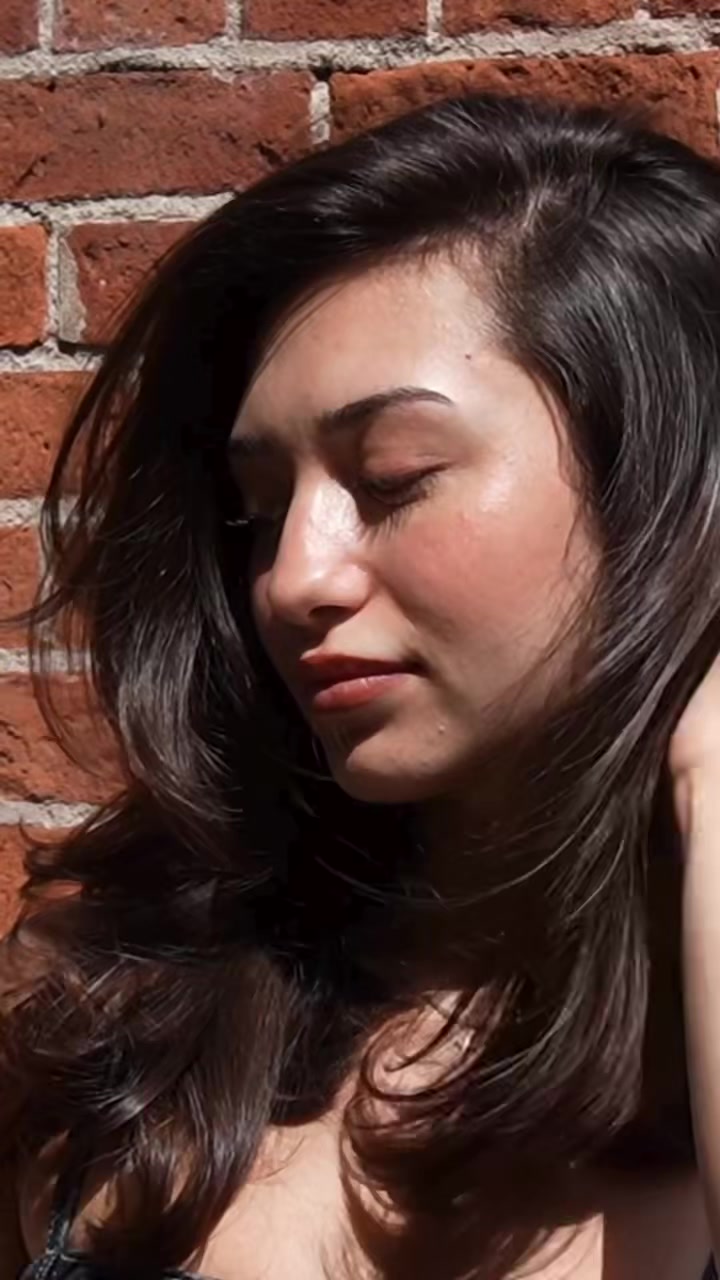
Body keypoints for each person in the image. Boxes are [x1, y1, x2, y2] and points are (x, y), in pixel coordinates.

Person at [1, 88, 720, 1280]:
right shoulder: (114, 1014)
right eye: (259, 510)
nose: (292, 578)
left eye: (393, 477)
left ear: (666, 485)